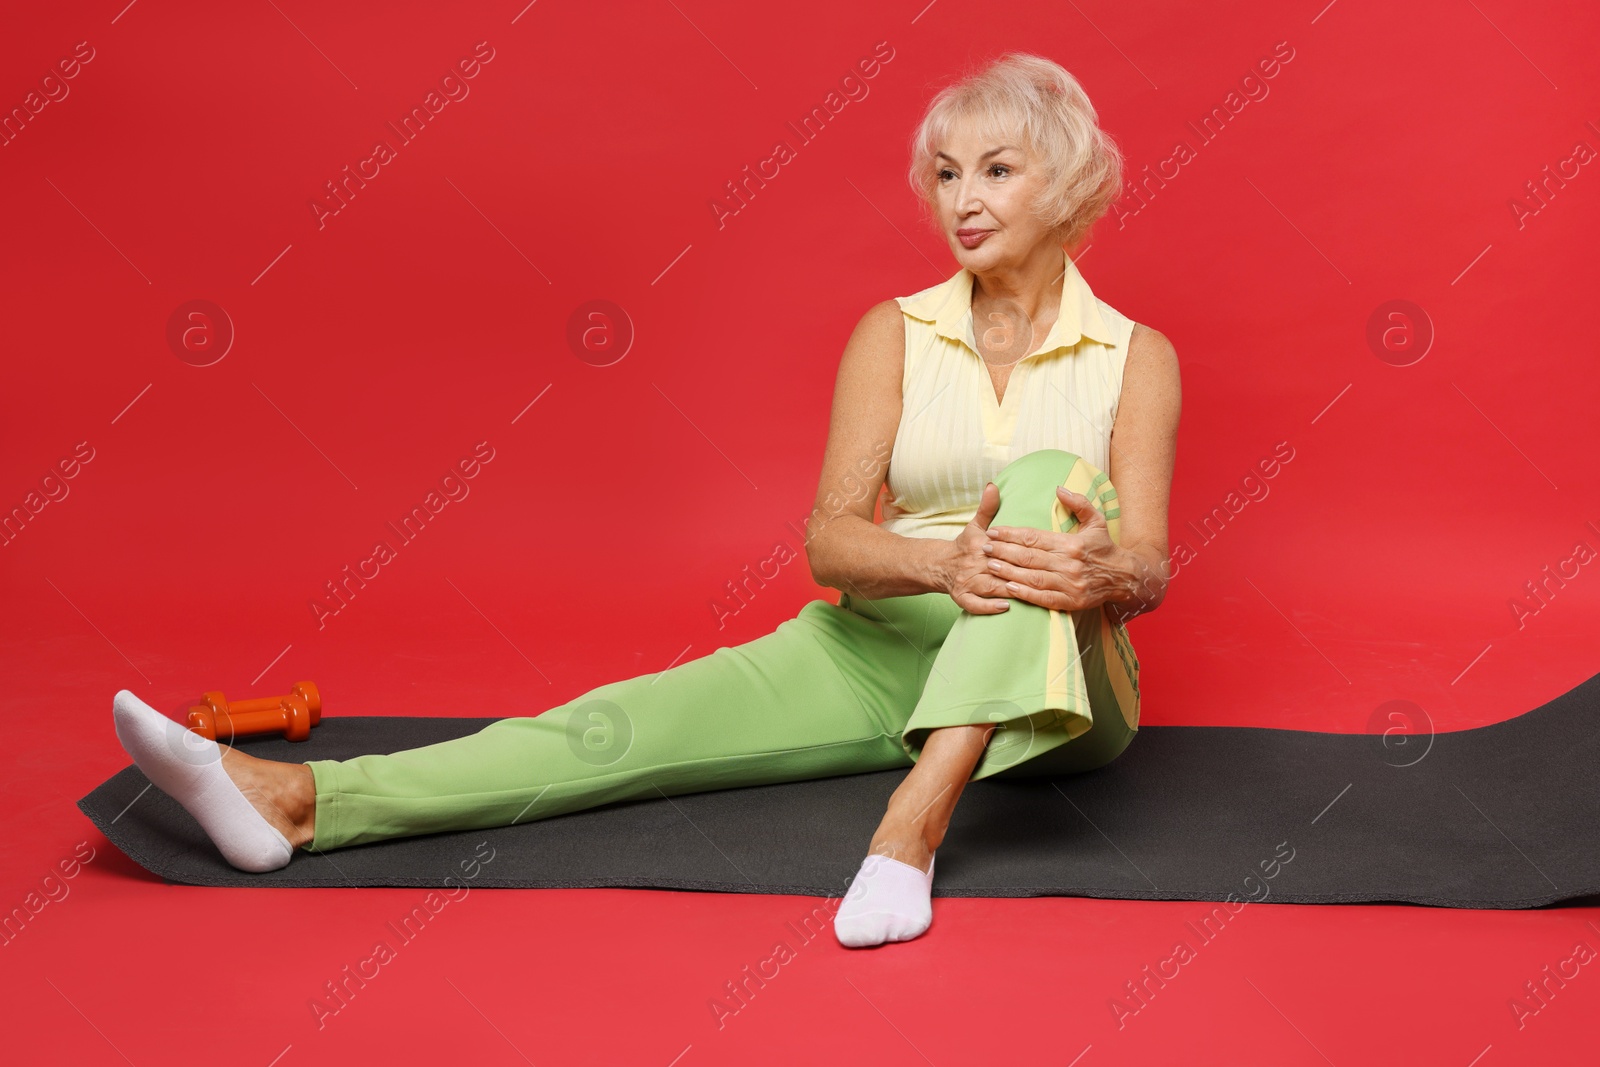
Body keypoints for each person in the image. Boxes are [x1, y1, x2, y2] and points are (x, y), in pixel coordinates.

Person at [110, 52, 1180, 949]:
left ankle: (911, 825)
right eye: (946, 174)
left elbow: (1151, 568)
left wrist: (1105, 571)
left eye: (997, 169)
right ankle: (300, 803)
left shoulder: (1137, 356)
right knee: (609, 728)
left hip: (1062, 680)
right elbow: (832, 541)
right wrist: (941, 564)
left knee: (1051, 483)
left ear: (1072, 185)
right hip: (880, 647)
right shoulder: (893, 332)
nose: (964, 199)